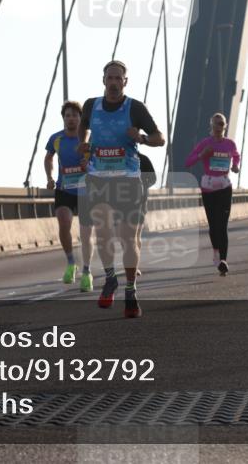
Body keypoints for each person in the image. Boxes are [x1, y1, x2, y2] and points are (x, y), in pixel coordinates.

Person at [78, 61, 164, 318]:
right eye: (110, 77)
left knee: (128, 238)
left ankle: (130, 289)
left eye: (119, 78)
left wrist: (143, 139)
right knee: (103, 232)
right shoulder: (91, 105)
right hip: (99, 178)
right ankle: (109, 278)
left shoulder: (135, 108)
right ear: (103, 80)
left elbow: (160, 138)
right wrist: (83, 144)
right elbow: (83, 125)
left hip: (127, 178)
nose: (114, 82)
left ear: (125, 82)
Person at [44, 101, 95, 291]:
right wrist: (49, 177)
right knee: (64, 223)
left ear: (80, 118)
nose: (71, 118)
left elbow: (99, 161)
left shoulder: (89, 139)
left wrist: (88, 166)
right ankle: (71, 262)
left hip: (87, 190)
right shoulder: (56, 138)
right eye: (67, 115)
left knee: (86, 233)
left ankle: (87, 271)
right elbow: (48, 157)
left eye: (74, 115)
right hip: (64, 189)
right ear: (63, 118)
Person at [185, 113, 241, 276]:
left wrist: (236, 166)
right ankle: (216, 250)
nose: (219, 127)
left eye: (222, 124)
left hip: (224, 185)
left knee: (222, 225)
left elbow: (236, 156)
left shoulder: (230, 144)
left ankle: (223, 260)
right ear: (211, 125)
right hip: (209, 187)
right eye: (216, 124)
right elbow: (188, 161)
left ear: (225, 126)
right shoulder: (205, 143)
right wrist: (203, 155)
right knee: (213, 225)